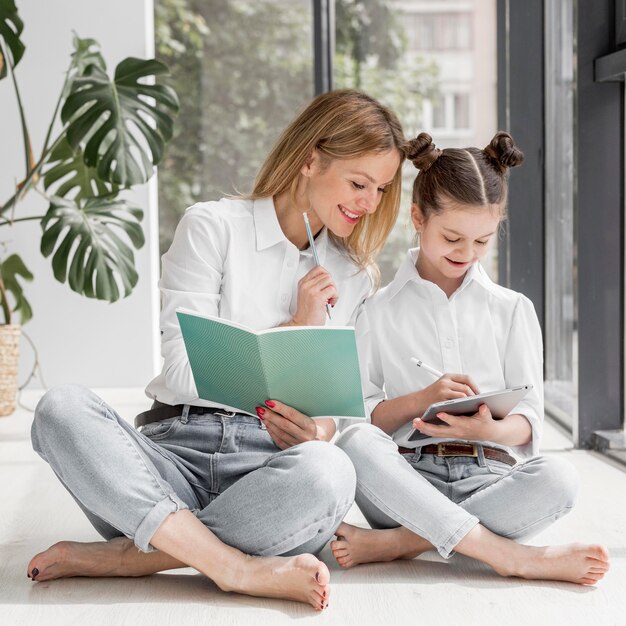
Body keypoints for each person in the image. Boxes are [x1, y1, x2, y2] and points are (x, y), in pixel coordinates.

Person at [27, 89, 405, 610]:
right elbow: (182, 367)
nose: (369, 202)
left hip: (266, 473)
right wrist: (295, 326)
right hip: (170, 458)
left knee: (331, 471)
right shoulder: (211, 227)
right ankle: (234, 565)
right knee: (60, 408)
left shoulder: (354, 276)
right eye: (359, 183)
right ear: (310, 159)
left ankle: (132, 556)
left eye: (382, 189)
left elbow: (346, 406)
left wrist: (317, 429)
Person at [331, 131, 610, 585]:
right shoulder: (376, 308)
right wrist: (420, 400)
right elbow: (357, 419)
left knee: (560, 477)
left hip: (489, 478)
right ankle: (510, 557)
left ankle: (403, 542)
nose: (466, 253)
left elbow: (530, 418)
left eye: (482, 241)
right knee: (353, 447)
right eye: (453, 238)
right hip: (405, 480)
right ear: (418, 218)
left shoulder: (513, 309)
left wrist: (492, 429)